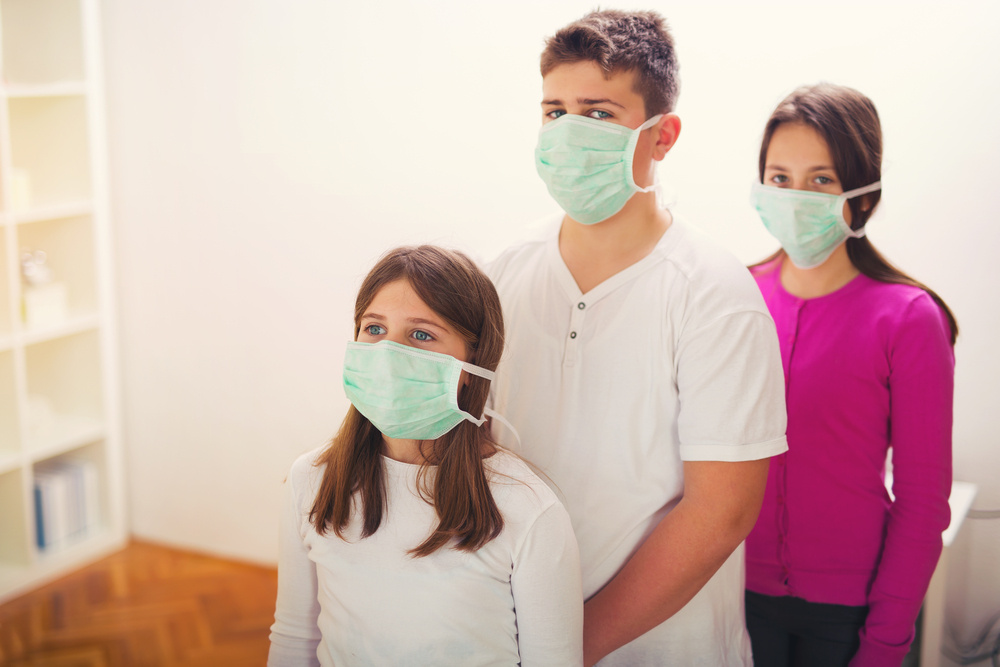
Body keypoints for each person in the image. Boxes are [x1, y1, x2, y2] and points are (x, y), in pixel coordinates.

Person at [487, 10, 788, 666]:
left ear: (662, 135)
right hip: (511, 631)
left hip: (659, 646)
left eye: (598, 114)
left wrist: (570, 647)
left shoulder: (715, 294)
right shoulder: (503, 272)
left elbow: (720, 513)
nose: (568, 134)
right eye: (554, 112)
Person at [268, 245, 584, 666]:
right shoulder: (310, 480)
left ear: (473, 364)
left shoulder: (527, 508)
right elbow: (294, 638)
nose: (388, 354)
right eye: (374, 328)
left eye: (421, 334)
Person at [744, 83, 957, 667]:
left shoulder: (909, 319)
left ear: (863, 196)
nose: (795, 197)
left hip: (849, 614)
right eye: (780, 178)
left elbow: (922, 504)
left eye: (821, 179)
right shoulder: (736, 296)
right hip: (733, 596)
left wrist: (885, 643)